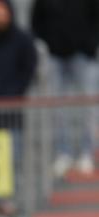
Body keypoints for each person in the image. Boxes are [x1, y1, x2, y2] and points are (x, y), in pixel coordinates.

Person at [0, 0, 38, 217]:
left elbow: (28, 70)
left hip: (12, 111)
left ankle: (13, 200)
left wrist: (14, 94)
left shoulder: (22, 40)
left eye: (1, 11)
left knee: (14, 157)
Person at [31, 0, 98, 177]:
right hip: (55, 56)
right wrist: (49, 45)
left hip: (83, 55)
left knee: (89, 107)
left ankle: (87, 152)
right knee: (57, 108)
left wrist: (90, 45)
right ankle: (63, 153)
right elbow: (36, 23)